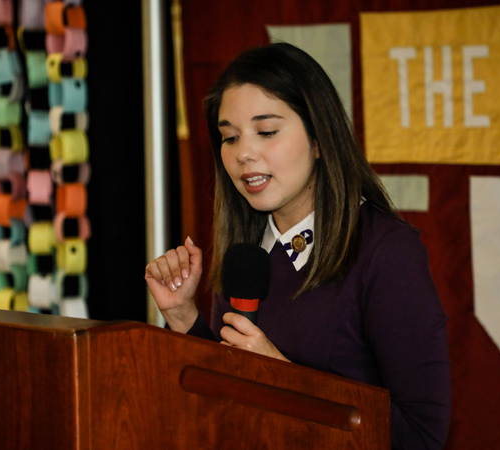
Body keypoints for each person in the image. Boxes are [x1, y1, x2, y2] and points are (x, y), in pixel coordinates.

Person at [145, 42, 450, 449]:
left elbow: (422, 436)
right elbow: (228, 398)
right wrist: (185, 317)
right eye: (229, 137)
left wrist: (285, 378)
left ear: (321, 138)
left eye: (266, 132)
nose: (244, 154)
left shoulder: (386, 252)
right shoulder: (246, 254)